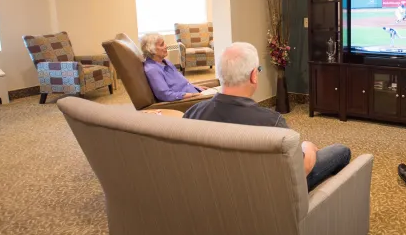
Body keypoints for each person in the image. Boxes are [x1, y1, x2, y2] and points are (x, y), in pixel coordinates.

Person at [184, 42, 351, 191]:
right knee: (342, 151)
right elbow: (300, 170)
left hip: (213, 188)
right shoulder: (270, 122)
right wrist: (307, 147)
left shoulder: (193, 113)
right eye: (259, 69)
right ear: (253, 75)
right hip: (269, 190)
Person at [141, 33, 208, 102]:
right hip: (189, 101)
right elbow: (165, 95)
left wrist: (196, 87)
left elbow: (180, 83)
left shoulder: (165, 62)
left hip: (195, 94)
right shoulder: (153, 70)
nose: (166, 46)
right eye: (162, 45)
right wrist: (193, 95)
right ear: (151, 50)